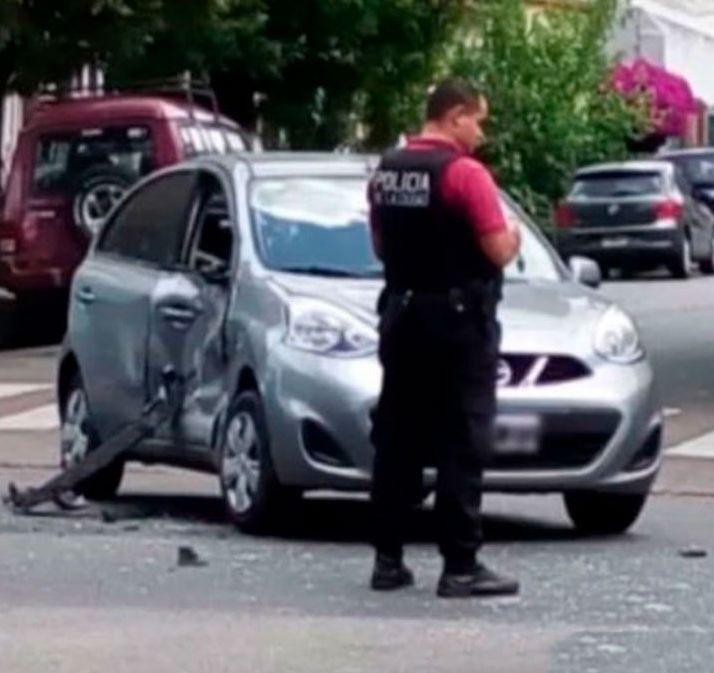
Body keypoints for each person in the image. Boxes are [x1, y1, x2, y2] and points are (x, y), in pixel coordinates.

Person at [368, 78, 522, 598]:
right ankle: (461, 564)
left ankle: (387, 559)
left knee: (397, 436)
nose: (480, 132)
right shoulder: (464, 174)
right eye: (477, 119)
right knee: (463, 437)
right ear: (454, 116)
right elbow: (499, 250)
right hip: (458, 322)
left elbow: (379, 246)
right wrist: (517, 236)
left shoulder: (386, 172)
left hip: (403, 315)